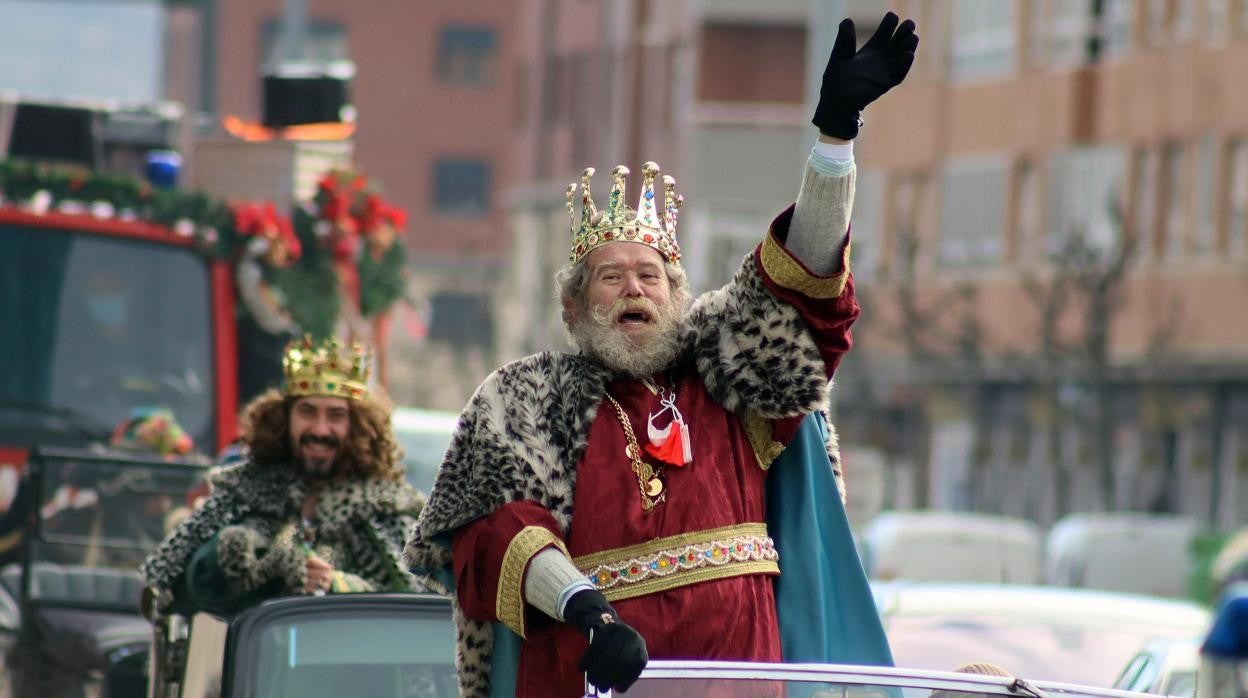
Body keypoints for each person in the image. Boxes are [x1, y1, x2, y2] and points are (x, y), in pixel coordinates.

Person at [403, 12, 917, 698]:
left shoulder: (727, 374)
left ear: (677, 294)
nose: (632, 290)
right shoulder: (523, 401)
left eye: (649, 276)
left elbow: (802, 287)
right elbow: (495, 535)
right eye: (610, 278)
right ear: (575, 309)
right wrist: (585, 608)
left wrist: (834, 139)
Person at [140, 336, 426, 617]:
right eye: (307, 412)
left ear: (359, 426)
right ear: (284, 418)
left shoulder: (387, 506)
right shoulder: (243, 490)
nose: (320, 429)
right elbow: (176, 589)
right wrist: (260, 564)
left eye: (336, 416)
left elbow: (414, 607)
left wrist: (338, 585)